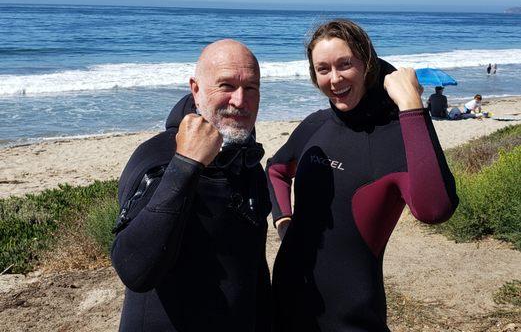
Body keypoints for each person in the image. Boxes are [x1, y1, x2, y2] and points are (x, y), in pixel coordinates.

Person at [266, 19, 458, 331]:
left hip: (351, 318)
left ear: (367, 63)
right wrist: (284, 221)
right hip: (285, 303)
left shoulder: (399, 134)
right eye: (323, 68)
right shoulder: (315, 125)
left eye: (345, 64)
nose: (335, 78)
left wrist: (411, 105)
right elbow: (275, 169)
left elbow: (435, 209)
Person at [111, 40, 272, 332]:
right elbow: (135, 271)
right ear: (195, 89)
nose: (239, 100)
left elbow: (252, 268)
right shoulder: (157, 157)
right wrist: (185, 166)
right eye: (226, 86)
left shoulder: (246, 160)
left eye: (251, 88)